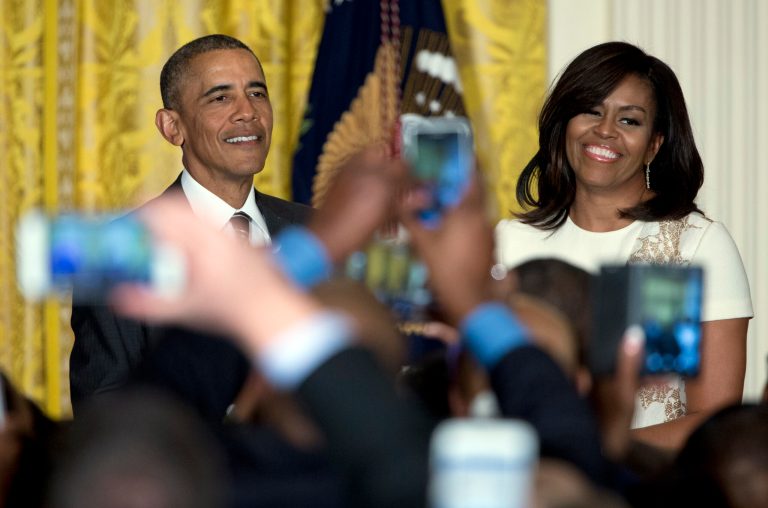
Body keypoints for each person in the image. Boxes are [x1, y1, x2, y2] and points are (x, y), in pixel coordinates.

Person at [495, 41, 753, 450]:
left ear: (655, 144)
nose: (605, 130)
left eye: (630, 120)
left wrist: (594, 450)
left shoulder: (698, 245)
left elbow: (714, 426)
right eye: (591, 110)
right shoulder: (507, 243)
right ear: (564, 124)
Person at [70, 34, 311, 412]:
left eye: (257, 93)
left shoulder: (315, 231)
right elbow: (105, 415)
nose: (247, 111)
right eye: (220, 97)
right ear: (172, 128)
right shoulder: (118, 250)